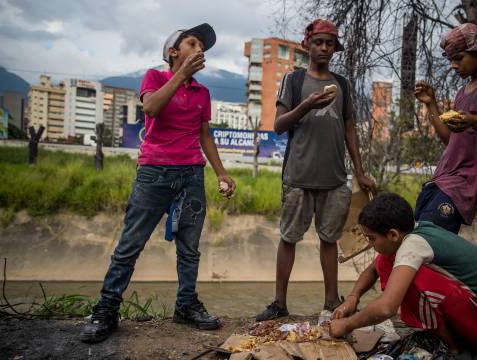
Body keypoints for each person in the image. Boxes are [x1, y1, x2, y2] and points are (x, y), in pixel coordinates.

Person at [80, 23, 236, 343]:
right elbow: (151, 107)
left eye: (202, 46)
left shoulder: (203, 93)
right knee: (130, 245)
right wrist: (180, 76)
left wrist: (221, 172)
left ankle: (186, 305)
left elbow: (204, 135)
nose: (199, 49)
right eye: (191, 43)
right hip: (154, 173)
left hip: (191, 174)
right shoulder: (155, 77)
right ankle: (106, 310)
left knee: (189, 248)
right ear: (173, 52)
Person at [255, 19, 376, 321]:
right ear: (308, 44)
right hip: (298, 177)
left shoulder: (343, 85)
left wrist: (359, 170)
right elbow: (279, 126)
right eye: (319, 42)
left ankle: (331, 302)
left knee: (329, 240)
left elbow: (350, 129)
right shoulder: (294, 81)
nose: (324, 48)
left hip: (334, 179)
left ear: (335, 48)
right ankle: (279, 303)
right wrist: (306, 106)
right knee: (289, 238)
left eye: (329, 43)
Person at [330, 192, 477, 357]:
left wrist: (347, 324)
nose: (370, 244)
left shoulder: (413, 246)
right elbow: (373, 269)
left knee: (415, 279)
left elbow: (387, 307)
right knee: (385, 261)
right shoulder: (410, 233)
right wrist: (353, 297)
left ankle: (453, 350)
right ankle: (443, 337)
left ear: (393, 234)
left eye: (372, 238)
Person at [413, 23, 477, 234]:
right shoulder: (462, 93)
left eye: (459, 58)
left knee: (429, 242)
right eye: (450, 60)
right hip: (441, 177)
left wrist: (475, 122)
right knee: (416, 235)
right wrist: (431, 104)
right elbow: (451, 140)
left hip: (462, 184)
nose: (454, 65)